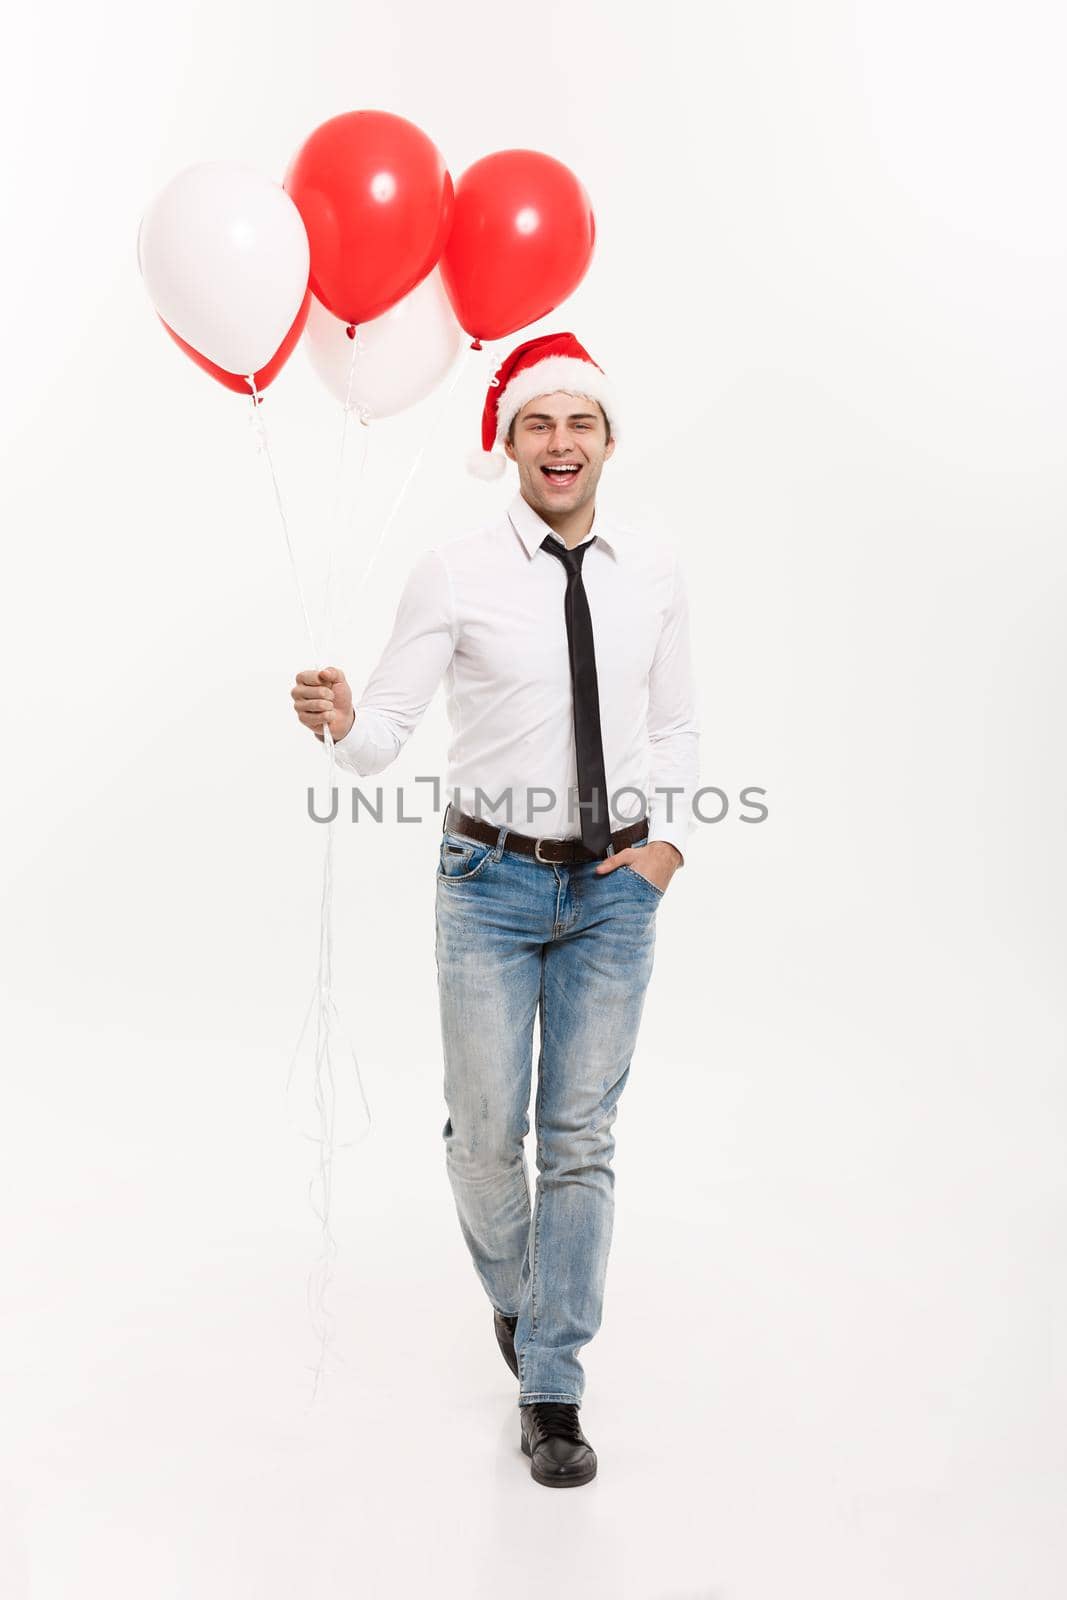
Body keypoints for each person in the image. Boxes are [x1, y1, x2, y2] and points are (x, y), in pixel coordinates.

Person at [290, 331, 700, 1488]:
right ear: (508, 443)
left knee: (579, 1139)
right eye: (537, 424)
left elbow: (674, 726)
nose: (559, 443)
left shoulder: (653, 563)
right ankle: (525, 1304)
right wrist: (338, 716)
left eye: (579, 422)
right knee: (484, 1140)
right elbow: (379, 742)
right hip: (489, 887)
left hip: (616, 889)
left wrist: (669, 841)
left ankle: (553, 1382)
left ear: (608, 438)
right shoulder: (456, 570)